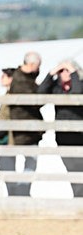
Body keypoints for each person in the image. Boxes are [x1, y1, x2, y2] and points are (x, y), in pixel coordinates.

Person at [38, 60, 83, 197]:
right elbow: (40, 94)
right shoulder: (57, 89)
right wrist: (51, 73)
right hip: (64, 136)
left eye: (68, 70)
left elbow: (77, 92)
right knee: (73, 170)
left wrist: (74, 72)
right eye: (62, 71)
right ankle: (79, 200)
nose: (65, 73)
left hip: (81, 135)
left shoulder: (80, 84)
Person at [7, 51, 44, 196]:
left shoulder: (24, 79)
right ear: (32, 64)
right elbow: (35, 101)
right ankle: (21, 192)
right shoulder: (21, 81)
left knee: (29, 163)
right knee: (29, 163)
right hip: (24, 131)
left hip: (28, 130)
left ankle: (22, 192)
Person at [0, 67, 16, 193]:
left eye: (4, 76)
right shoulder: (7, 95)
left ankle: (14, 195)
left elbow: (6, 116)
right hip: (4, 137)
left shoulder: (11, 95)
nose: (1, 79)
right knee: (7, 167)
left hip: (8, 138)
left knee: (8, 167)